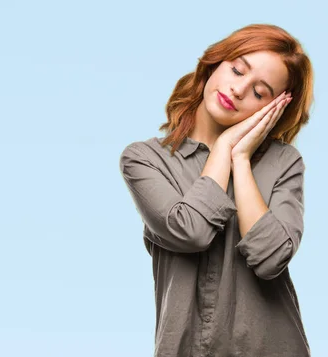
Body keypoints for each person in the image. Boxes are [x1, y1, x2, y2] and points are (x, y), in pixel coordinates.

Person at [119, 24, 313, 357]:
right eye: (237, 69)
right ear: (214, 63)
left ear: (274, 109)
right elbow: (190, 232)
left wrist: (240, 158)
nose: (238, 90)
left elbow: (271, 259)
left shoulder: (283, 163)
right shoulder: (145, 159)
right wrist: (223, 147)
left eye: (259, 92)